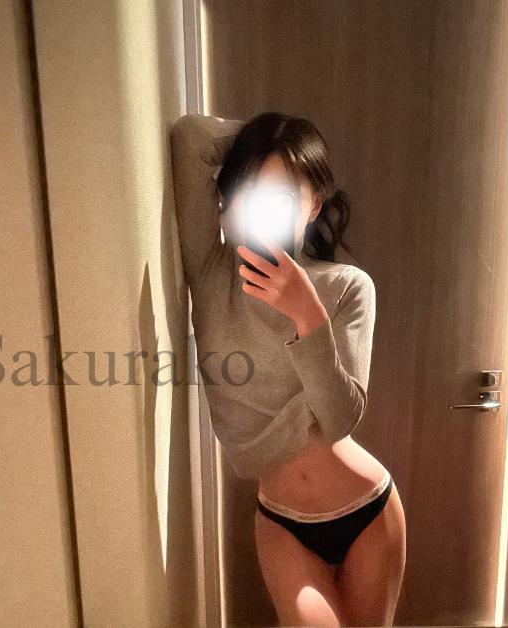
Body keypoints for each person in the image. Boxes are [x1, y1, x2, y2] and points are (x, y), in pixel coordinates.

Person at [171, 111, 407, 627]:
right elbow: (190, 138)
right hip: (282, 522)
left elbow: (341, 418)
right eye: (250, 192)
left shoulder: (347, 287)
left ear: (314, 204)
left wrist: (309, 317)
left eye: (282, 196)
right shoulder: (211, 273)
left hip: (367, 508)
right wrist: (275, 140)